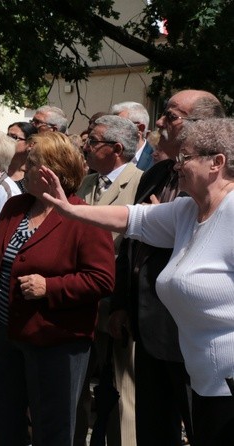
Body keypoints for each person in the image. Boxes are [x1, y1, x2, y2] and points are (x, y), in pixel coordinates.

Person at [40, 117, 234, 446]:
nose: (176, 167)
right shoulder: (188, 211)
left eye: (185, 158)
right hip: (205, 380)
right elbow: (130, 217)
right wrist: (69, 210)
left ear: (217, 163)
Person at [0, 132, 115, 446]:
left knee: (52, 427)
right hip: (5, 335)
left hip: (56, 340)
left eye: (32, 163)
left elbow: (102, 279)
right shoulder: (15, 207)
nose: (24, 170)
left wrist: (49, 287)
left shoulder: (84, 217)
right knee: (3, 419)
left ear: (53, 171)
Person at [108, 90, 224, 445]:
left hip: (194, 333)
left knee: (204, 427)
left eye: (171, 116)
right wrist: (122, 304)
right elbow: (132, 242)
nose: (160, 122)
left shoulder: (223, 184)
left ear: (202, 127)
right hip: (148, 326)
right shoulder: (156, 174)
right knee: (153, 427)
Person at [73, 115, 143, 446]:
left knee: (121, 388)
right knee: (76, 386)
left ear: (116, 149)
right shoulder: (87, 183)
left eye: (93, 142)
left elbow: (134, 248)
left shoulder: (141, 183)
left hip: (116, 300)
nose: (85, 147)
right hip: (79, 298)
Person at [110, 101, 154, 171]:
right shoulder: (109, 156)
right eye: (111, 126)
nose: (112, 132)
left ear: (140, 129)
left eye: (118, 125)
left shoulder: (156, 160)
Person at [6, 121, 38, 194]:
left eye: (14, 137)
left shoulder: (33, 177)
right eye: (7, 136)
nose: (7, 140)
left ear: (31, 144)